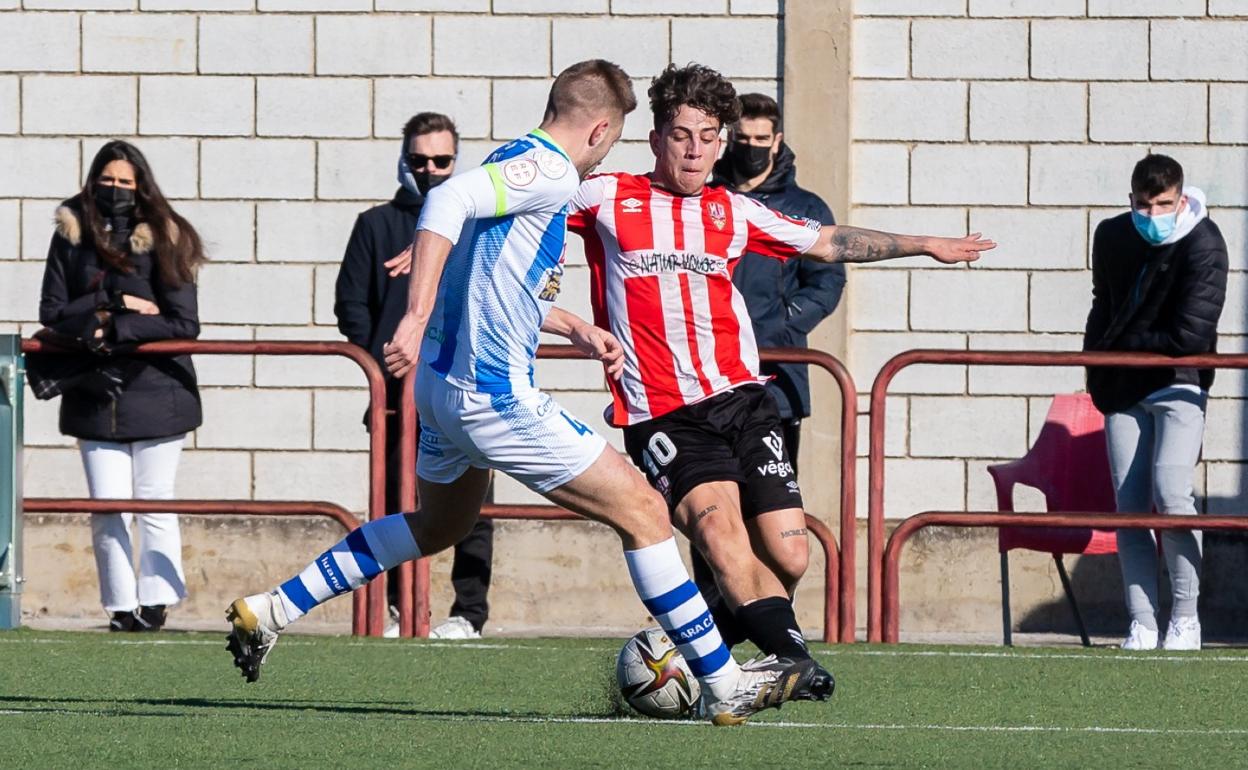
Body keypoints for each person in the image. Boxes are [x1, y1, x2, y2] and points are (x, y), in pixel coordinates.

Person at [226, 59, 827, 726]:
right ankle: (723, 682)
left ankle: (271, 609)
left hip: (441, 392)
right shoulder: (548, 169)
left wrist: (571, 322)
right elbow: (446, 201)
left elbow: (495, 275)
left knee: (439, 526)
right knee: (644, 514)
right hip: (493, 395)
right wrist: (416, 311)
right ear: (600, 127)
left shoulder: (514, 163)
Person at [563, 63, 994, 660]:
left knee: (791, 553)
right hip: (666, 413)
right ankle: (793, 663)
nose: (694, 152)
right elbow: (521, 201)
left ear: (722, 143)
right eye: (682, 135)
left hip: (744, 400)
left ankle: (690, 652)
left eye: (708, 137)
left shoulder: (732, 211)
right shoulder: (606, 195)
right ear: (657, 138)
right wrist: (443, 234)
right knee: (721, 535)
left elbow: (826, 242)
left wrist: (922, 244)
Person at [334, 111, 493, 640]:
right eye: (420, 160)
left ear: (457, 160)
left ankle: (468, 612)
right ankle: (401, 607)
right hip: (397, 402)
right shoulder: (376, 224)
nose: (431, 170)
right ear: (404, 161)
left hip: (465, 389)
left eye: (442, 160)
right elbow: (351, 307)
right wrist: (390, 363)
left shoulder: (476, 222)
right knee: (398, 502)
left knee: (473, 507)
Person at [37, 140, 205, 632]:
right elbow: (51, 312)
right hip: (92, 387)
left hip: (158, 390)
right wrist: (119, 304)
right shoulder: (70, 234)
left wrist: (118, 326)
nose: (115, 190)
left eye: (125, 182)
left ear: (142, 186)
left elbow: (183, 324)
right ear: (93, 182)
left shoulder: (167, 235)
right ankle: (118, 605)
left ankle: (157, 601)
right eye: (106, 181)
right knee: (107, 506)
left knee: (154, 500)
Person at [697, 92, 845, 631]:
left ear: (778, 141)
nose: (752, 149)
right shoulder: (706, 197)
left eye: (763, 141)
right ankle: (708, 618)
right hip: (705, 381)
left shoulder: (805, 208)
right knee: (710, 509)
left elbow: (828, 281)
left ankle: (767, 620)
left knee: (772, 514)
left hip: (775, 384)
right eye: (743, 140)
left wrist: (778, 324)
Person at [1083, 154, 1227, 652]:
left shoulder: (1204, 241)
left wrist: (1119, 346)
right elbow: (1103, 301)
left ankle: (1185, 618)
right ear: (1131, 201)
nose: (1153, 214)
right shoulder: (1111, 235)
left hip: (1179, 381)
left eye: (1163, 204)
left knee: (1172, 494)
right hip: (1123, 386)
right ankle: (1142, 622)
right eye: (1144, 205)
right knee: (1129, 508)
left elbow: (1191, 330)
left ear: (1181, 199)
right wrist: (1097, 366)